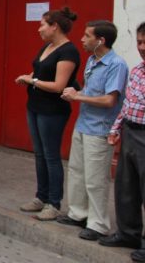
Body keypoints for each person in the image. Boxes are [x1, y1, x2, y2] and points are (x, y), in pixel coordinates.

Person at [56, 21, 128, 240]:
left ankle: (98, 224)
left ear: (101, 40)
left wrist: (78, 96)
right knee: (77, 171)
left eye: (87, 36)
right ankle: (78, 213)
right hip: (83, 123)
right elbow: (91, 90)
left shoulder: (116, 64)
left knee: (96, 178)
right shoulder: (91, 60)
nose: (82, 39)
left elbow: (109, 99)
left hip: (100, 128)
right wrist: (77, 91)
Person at [15, 7, 80, 221]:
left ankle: (54, 202)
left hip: (52, 111)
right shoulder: (48, 47)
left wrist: (32, 81)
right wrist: (30, 75)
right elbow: (41, 70)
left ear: (55, 27)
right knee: (40, 153)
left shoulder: (68, 51)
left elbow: (59, 85)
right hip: (35, 106)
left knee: (51, 156)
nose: (39, 28)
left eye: (43, 24)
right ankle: (41, 197)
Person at [98, 22, 145, 261]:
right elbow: (126, 105)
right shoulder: (137, 71)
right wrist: (116, 128)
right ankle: (128, 233)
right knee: (126, 186)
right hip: (129, 132)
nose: (142, 47)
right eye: (139, 42)